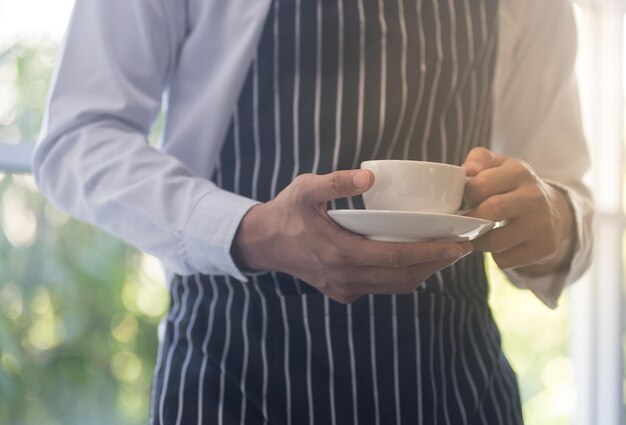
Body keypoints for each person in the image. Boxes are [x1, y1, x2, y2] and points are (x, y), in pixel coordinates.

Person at [33, 0, 593, 423]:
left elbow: (559, 194)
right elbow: (80, 137)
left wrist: (553, 220)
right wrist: (247, 231)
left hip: (448, 385)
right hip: (231, 373)